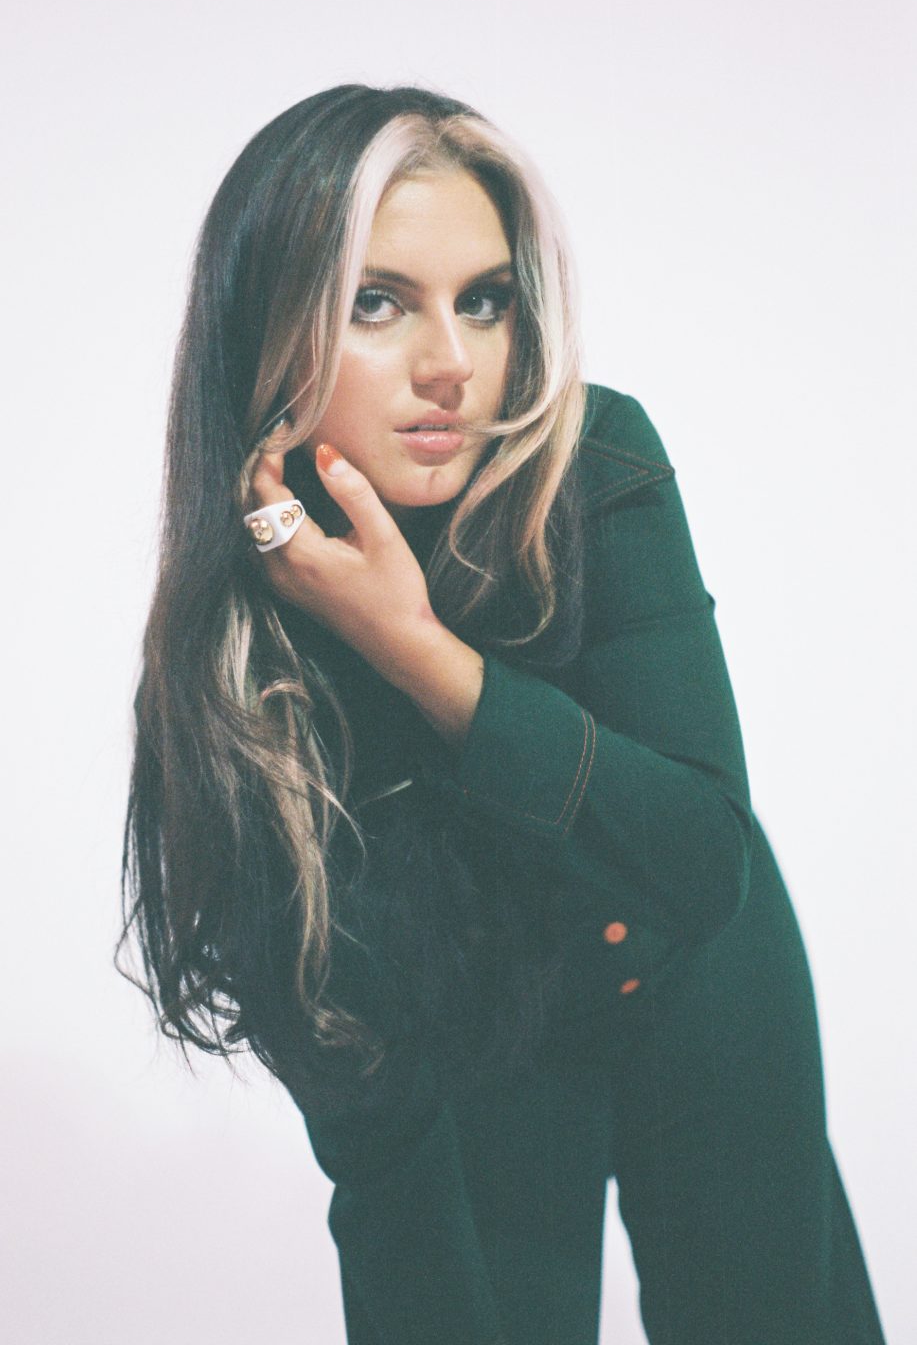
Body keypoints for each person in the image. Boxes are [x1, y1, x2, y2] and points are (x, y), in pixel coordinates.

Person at [117, 84, 886, 1345]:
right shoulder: (234, 654)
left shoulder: (595, 461)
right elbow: (374, 1136)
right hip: (476, 1031)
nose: (452, 365)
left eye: (484, 299)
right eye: (378, 303)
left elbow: (703, 856)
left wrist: (413, 646)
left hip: (692, 967)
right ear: (267, 329)